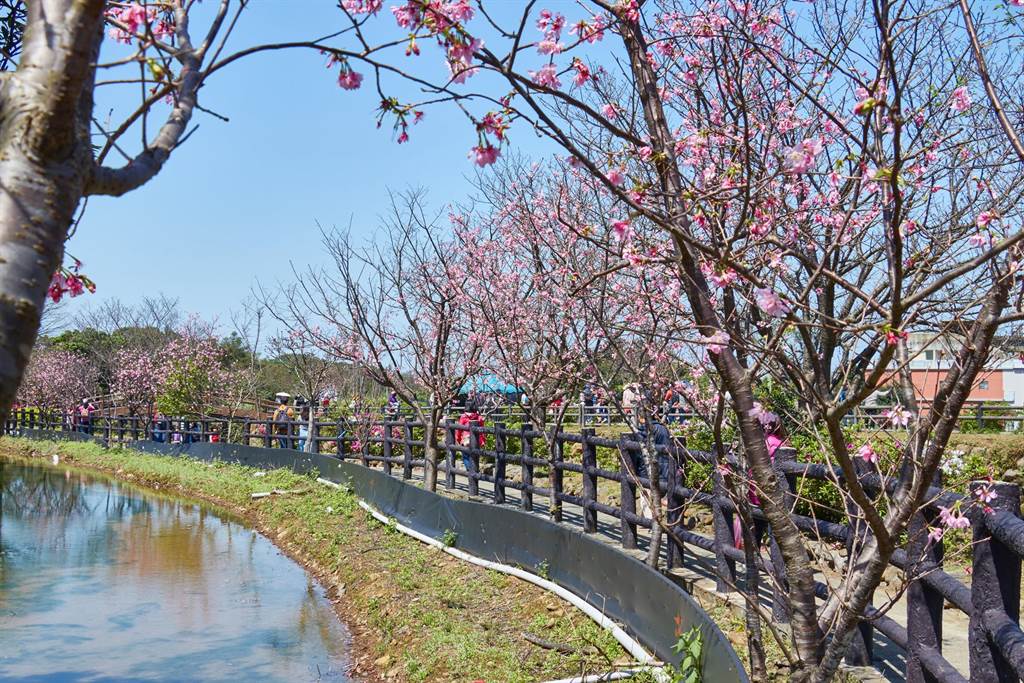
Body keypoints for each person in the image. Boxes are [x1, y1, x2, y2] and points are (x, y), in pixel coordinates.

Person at [455, 403, 485, 473]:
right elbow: (483, 430)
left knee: (466, 456)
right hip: (477, 440)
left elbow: (459, 430)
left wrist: (458, 439)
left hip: (466, 440)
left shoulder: (463, 417)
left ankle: (470, 470)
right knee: (475, 456)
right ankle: (475, 469)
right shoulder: (479, 417)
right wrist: (483, 440)